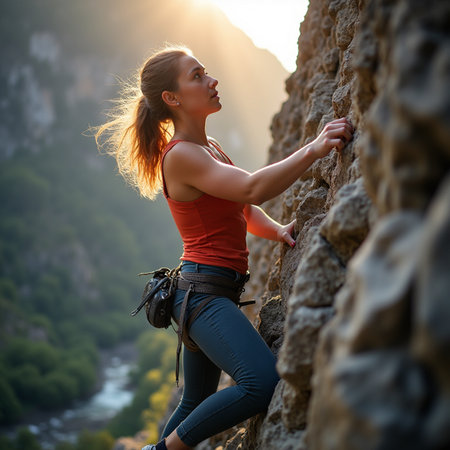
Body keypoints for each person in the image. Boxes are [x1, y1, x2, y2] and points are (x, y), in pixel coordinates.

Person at [95, 46, 354, 450]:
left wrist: (279, 230)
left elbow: (244, 206)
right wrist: (314, 148)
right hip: (202, 299)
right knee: (261, 383)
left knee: (195, 401)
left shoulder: (209, 147)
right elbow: (252, 186)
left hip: (207, 295)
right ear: (172, 98)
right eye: (197, 75)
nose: (212, 81)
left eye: (207, 72)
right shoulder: (180, 156)